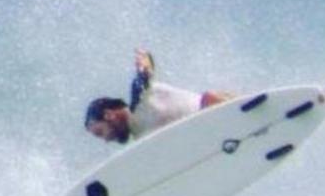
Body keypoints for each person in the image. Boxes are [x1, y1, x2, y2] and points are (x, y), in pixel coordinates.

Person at [84, 49, 232, 144]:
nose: (106, 140)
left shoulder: (140, 97)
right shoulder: (143, 142)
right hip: (209, 138)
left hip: (218, 110)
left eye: (100, 132)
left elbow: (145, 70)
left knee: (210, 97)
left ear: (109, 115)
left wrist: (143, 60)